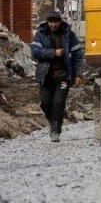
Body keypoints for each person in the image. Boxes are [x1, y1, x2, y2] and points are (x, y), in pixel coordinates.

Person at [30, 11, 84, 142]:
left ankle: (55, 130)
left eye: (55, 22)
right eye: (50, 22)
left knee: (58, 103)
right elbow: (35, 52)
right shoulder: (41, 34)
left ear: (60, 22)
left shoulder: (69, 35)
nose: (53, 25)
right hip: (46, 76)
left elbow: (78, 56)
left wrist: (78, 74)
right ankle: (54, 123)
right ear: (47, 22)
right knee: (45, 104)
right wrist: (54, 53)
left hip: (63, 76)